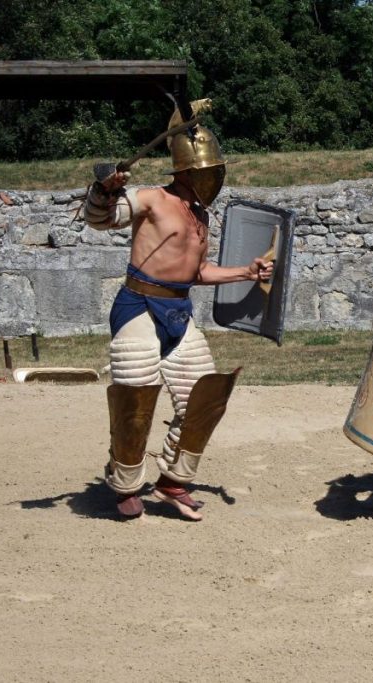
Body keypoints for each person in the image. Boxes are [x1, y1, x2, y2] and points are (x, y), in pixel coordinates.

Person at [82, 102, 273, 520]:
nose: (213, 179)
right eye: (207, 173)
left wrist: (246, 270)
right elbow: (102, 218)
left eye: (215, 172)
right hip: (139, 308)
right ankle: (127, 483)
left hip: (178, 311)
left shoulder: (200, 216)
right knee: (135, 399)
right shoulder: (152, 199)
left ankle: (172, 481)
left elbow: (197, 271)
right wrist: (105, 189)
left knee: (205, 397)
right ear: (187, 173)